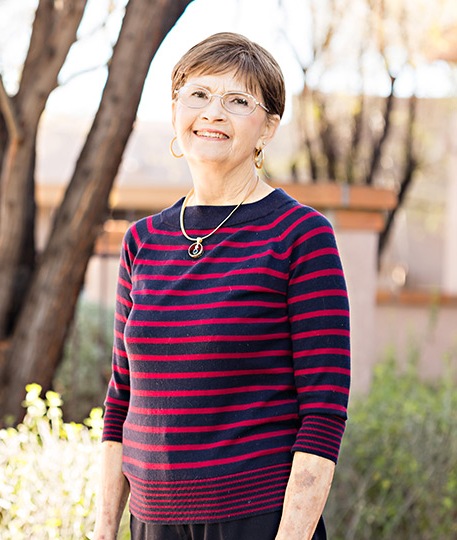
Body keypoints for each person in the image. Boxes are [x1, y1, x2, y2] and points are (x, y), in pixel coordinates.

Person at [93, 32, 350, 540]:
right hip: (151, 520)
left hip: (256, 519)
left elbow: (323, 415)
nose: (213, 113)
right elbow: (121, 400)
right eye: (199, 94)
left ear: (267, 127)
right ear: (175, 111)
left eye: (238, 101)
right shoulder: (143, 241)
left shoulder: (301, 235)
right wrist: (104, 530)